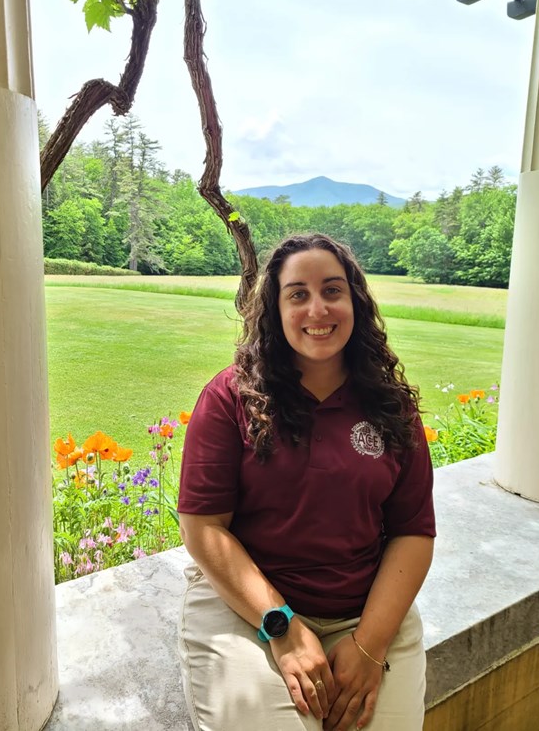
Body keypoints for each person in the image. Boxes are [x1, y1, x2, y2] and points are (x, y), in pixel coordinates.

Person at [177, 233, 436, 731]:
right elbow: (204, 527)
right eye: (298, 294)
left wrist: (368, 647)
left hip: (365, 609)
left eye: (332, 290)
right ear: (275, 310)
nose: (318, 308)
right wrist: (284, 629)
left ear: (354, 301)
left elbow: (412, 530)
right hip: (250, 605)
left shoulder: (390, 406)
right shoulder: (230, 397)